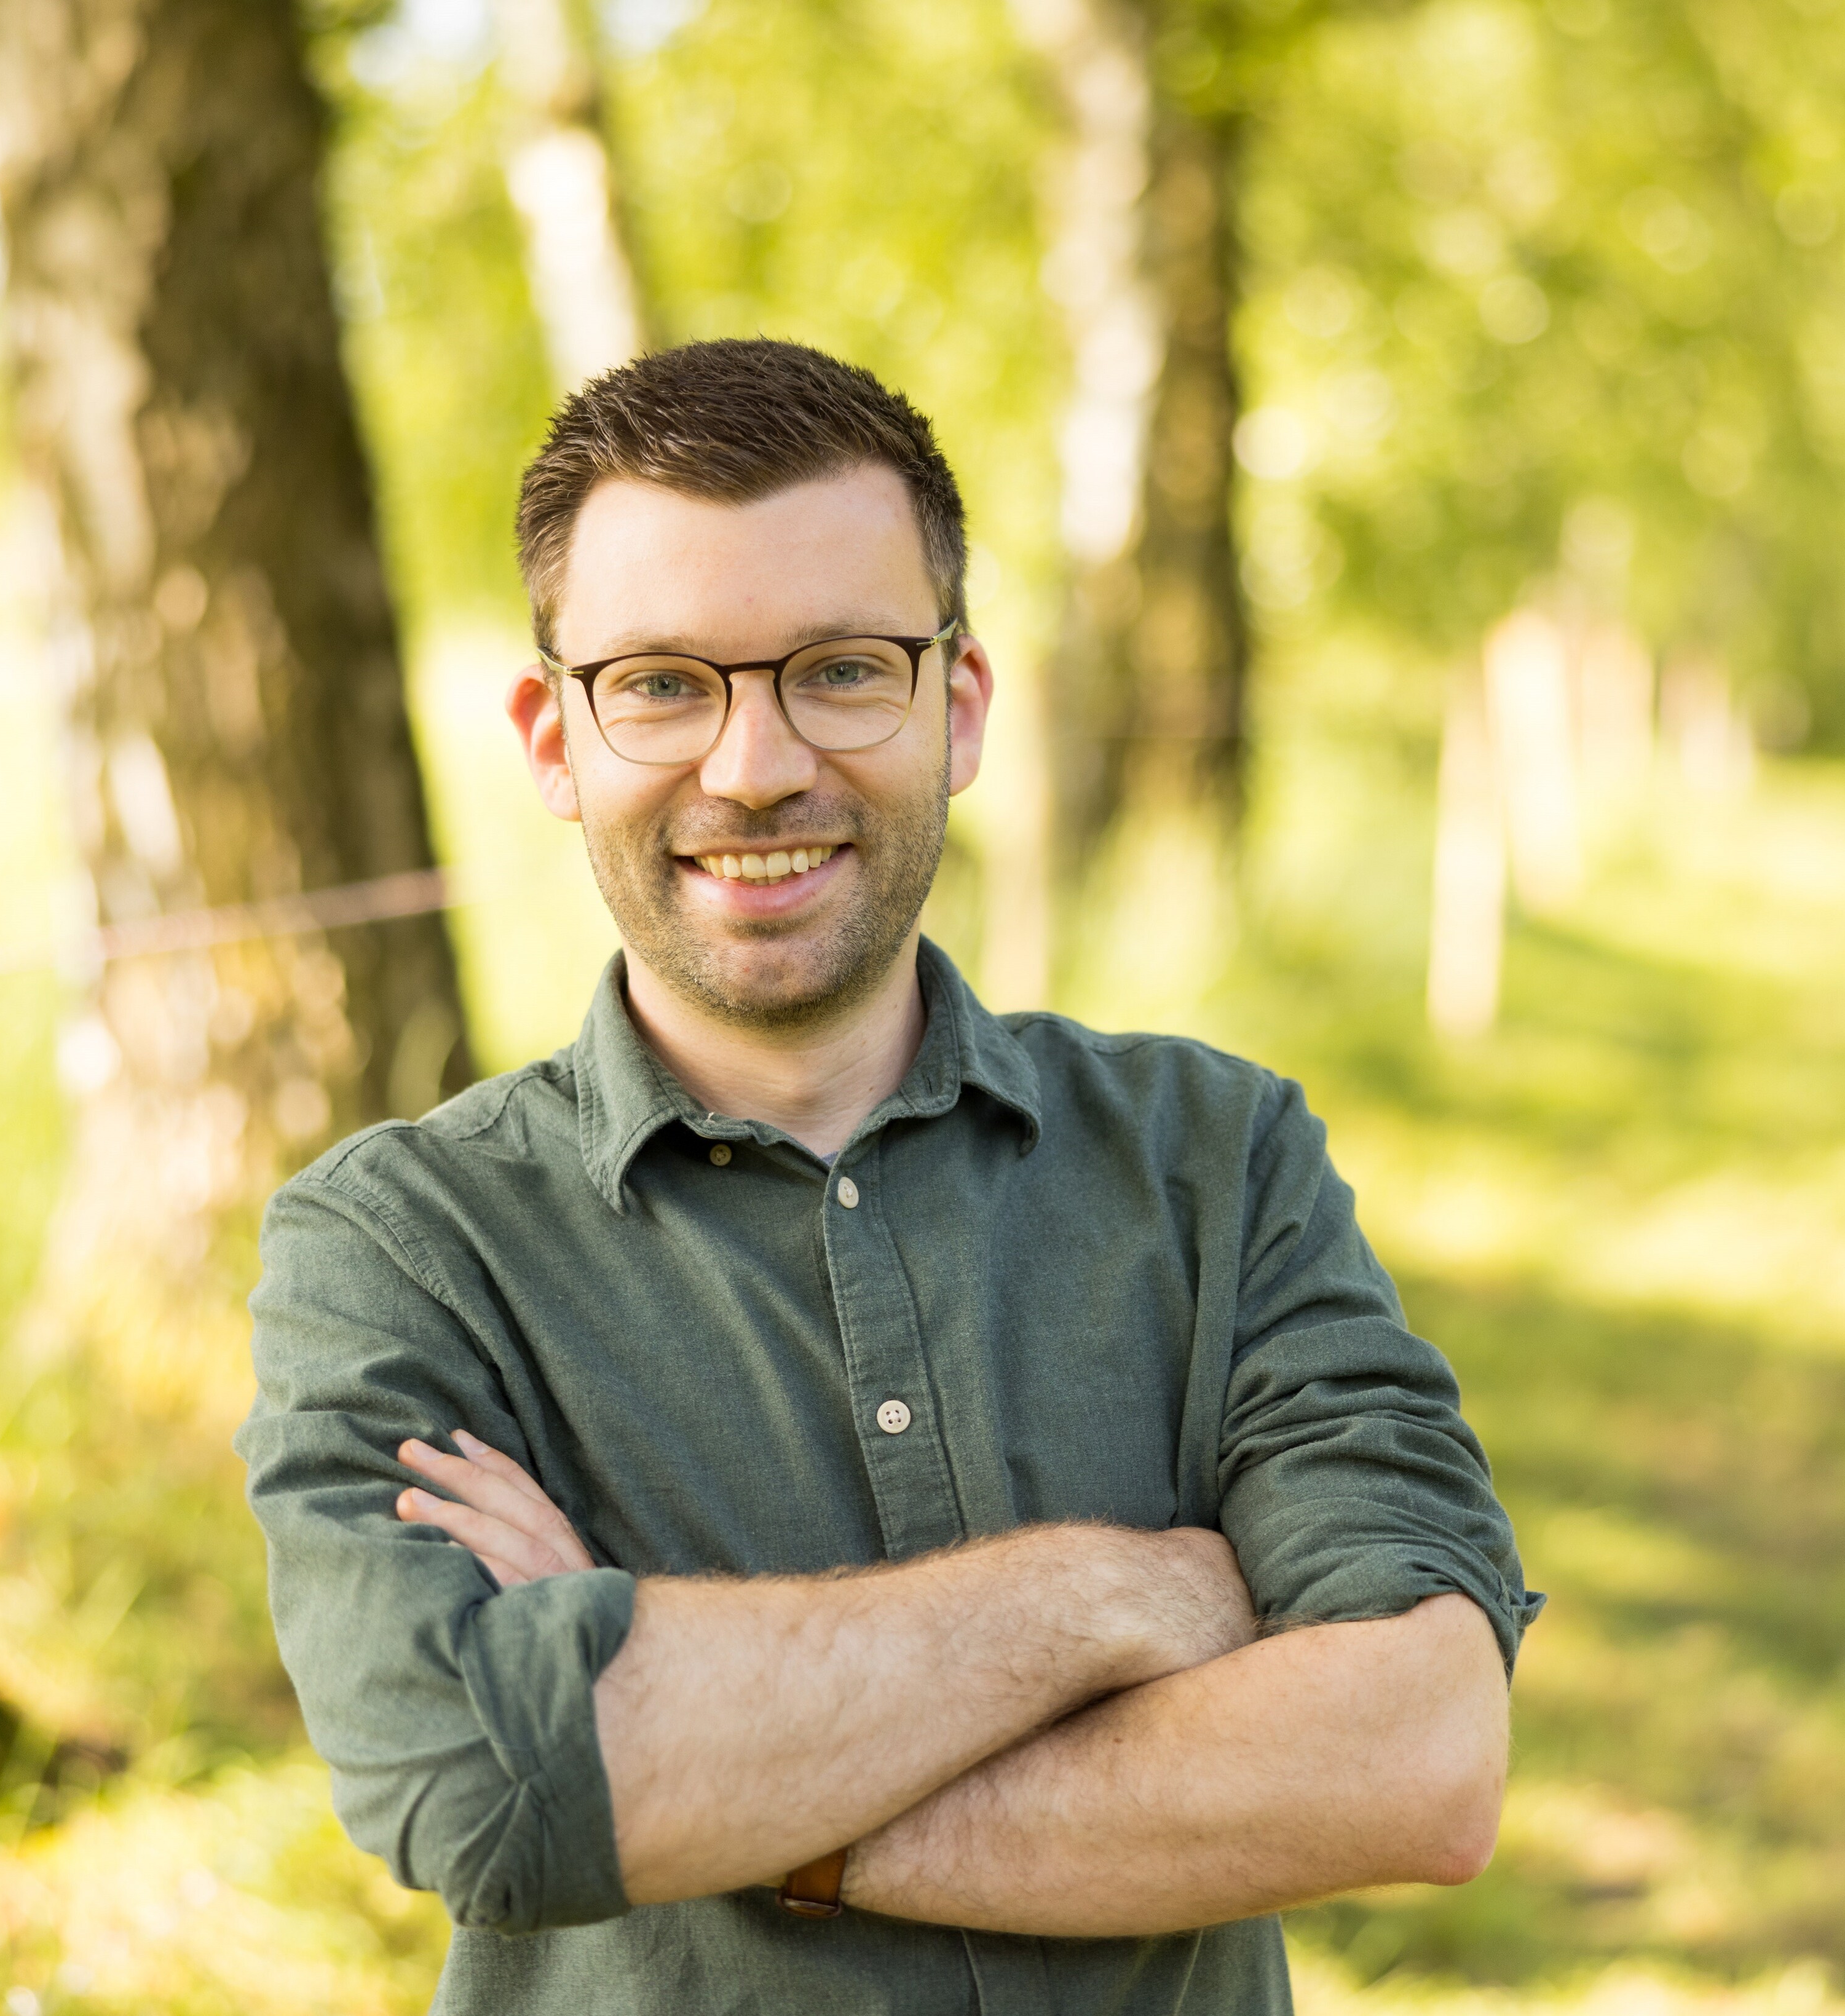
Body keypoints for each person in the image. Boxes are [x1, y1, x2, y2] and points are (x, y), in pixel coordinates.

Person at [237, 337, 1541, 2015]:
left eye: (842, 670)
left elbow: (1420, 1758)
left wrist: (711, 1771)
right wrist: (1116, 1592)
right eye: (661, 683)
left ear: (961, 705)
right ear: (552, 738)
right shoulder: (403, 1247)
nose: (756, 766)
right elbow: (475, 1785)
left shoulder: (1221, 1165)